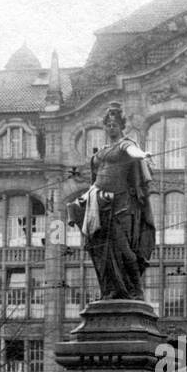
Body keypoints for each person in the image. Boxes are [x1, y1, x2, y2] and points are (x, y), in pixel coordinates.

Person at [77, 101, 156, 301]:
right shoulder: (101, 152)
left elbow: (133, 152)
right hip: (99, 204)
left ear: (121, 126)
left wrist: (143, 154)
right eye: (108, 125)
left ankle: (136, 289)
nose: (111, 128)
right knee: (102, 250)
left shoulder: (125, 144)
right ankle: (111, 289)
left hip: (121, 205)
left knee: (124, 249)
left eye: (115, 124)